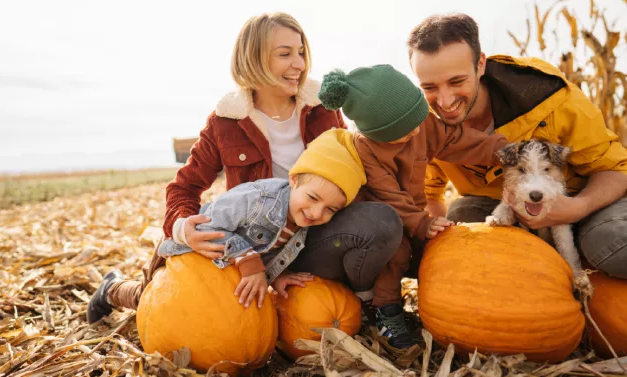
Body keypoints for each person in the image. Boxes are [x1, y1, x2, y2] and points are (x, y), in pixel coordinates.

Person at [87, 12, 402, 324]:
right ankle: (115, 290)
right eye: (285, 54)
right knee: (178, 302)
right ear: (254, 58)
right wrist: (184, 227)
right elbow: (184, 187)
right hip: (250, 247)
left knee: (378, 222)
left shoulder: (322, 110)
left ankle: (369, 308)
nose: (300, 65)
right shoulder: (227, 122)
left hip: (312, 237)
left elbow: (354, 171)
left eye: (301, 52)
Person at [407, 13, 627, 278]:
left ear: (480, 65)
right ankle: (542, 286)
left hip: (587, 201)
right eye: (429, 87)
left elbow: (616, 169)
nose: (444, 101)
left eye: (456, 82)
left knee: (606, 242)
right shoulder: (425, 125)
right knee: (464, 216)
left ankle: (587, 264)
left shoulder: (548, 96)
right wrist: (442, 245)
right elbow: (429, 194)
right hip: (510, 210)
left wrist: (577, 207)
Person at [318, 64, 508, 348]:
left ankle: (451, 305)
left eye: (418, 120)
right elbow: (389, 196)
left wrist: (503, 149)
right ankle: (386, 310)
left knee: (437, 251)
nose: (416, 131)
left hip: (413, 212)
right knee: (397, 252)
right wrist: (422, 223)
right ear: (376, 134)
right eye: (404, 132)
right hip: (379, 220)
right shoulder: (365, 149)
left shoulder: (420, 124)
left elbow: (458, 140)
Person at [158, 129, 365, 309]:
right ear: (294, 180)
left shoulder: (303, 217)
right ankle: (127, 291)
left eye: (330, 209)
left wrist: (275, 276)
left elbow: (266, 248)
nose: (317, 213)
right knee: (156, 300)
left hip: (226, 276)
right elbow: (204, 228)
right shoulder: (257, 198)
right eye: (312, 198)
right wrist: (249, 261)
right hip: (189, 258)